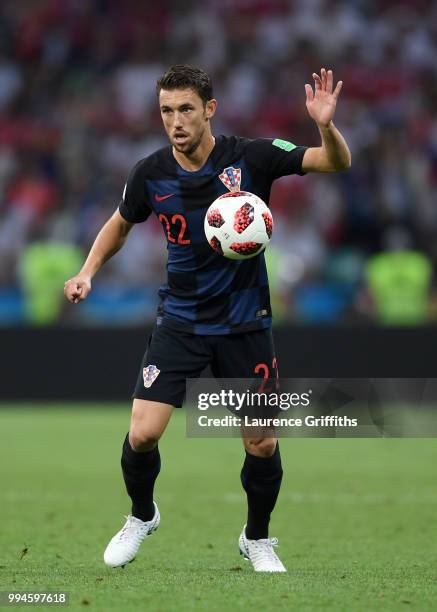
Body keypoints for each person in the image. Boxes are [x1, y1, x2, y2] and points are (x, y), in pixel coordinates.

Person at [64, 64, 351, 573]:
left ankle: (257, 538)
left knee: (261, 442)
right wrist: (87, 271)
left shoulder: (253, 157)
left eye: (186, 110)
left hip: (245, 325)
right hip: (180, 320)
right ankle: (141, 515)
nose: (175, 121)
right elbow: (120, 223)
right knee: (143, 433)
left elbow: (334, 163)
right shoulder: (150, 172)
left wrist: (325, 125)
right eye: (166, 111)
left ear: (209, 110)